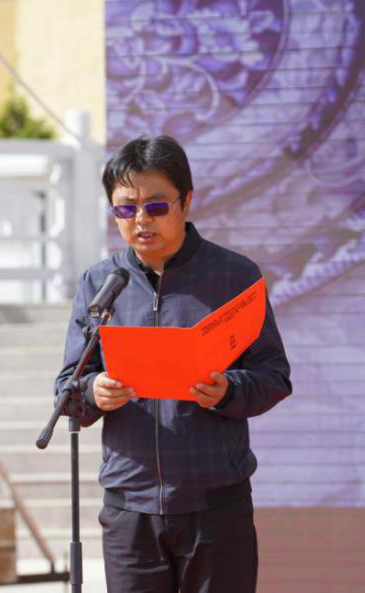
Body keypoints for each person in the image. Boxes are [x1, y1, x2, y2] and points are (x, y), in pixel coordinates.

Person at [54, 135, 292, 593]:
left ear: (186, 202)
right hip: (130, 508)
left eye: (156, 206)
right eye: (126, 208)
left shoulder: (234, 276)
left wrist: (228, 390)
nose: (141, 220)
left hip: (215, 507)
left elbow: (273, 376)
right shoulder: (100, 283)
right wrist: (94, 391)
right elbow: (68, 387)